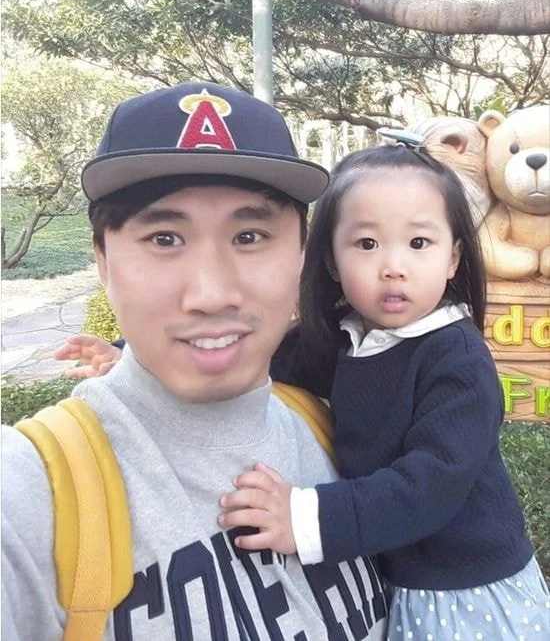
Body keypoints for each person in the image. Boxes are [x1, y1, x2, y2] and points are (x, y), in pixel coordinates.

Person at [1, 82, 388, 641]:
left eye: (249, 235)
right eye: (164, 238)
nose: (211, 294)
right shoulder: (33, 492)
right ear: (103, 262)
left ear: (301, 257)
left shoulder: (328, 427)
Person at [215, 143, 550, 640]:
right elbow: (259, 355)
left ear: (453, 257)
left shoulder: (458, 360)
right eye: (367, 243)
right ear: (332, 261)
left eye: (419, 243)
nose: (394, 266)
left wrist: (302, 518)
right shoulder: (350, 337)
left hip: (463, 591)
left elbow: (429, 486)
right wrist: (140, 356)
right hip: (398, 573)